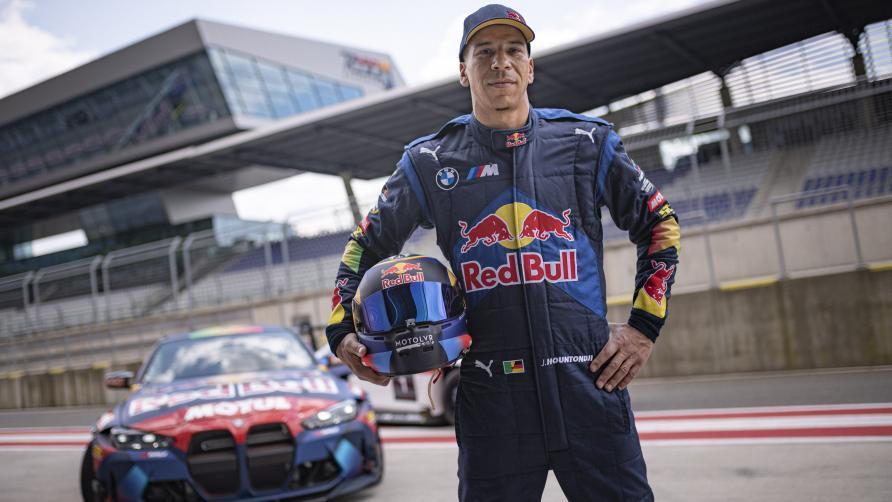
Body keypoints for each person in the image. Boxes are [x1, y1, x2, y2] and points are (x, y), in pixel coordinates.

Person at [326, 4, 680, 501]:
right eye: (484, 52)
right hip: (492, 401)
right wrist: (341, 331)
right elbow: (364, 246)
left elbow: (660, 224)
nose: (501, 63)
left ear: (530, 68)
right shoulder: (429, 161)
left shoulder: (587, 142)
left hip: (590, 388)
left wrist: (643, 328)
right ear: (463, 70)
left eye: (514, 50)